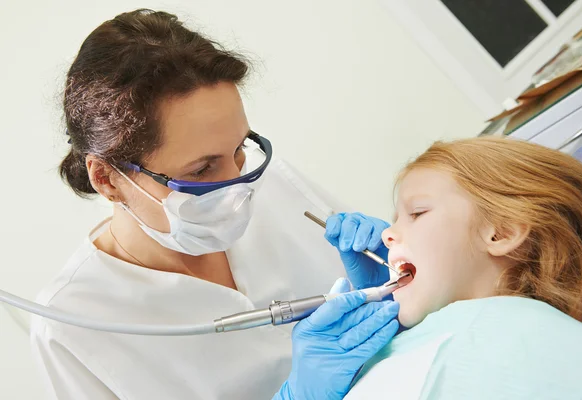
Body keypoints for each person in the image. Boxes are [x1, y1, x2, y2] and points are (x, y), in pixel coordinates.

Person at [30, 9, 398, 400]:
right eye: (203, 169)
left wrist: (400, 280)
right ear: (107, 178)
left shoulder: (277, 187)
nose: (237, 186)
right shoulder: (71, 326)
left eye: (239, 149)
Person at [323, 137, 582, 399]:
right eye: (395, 219)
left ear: (501, 233)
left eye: (417, 213)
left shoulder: (532, 338)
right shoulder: (391, 349)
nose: (387, 234)